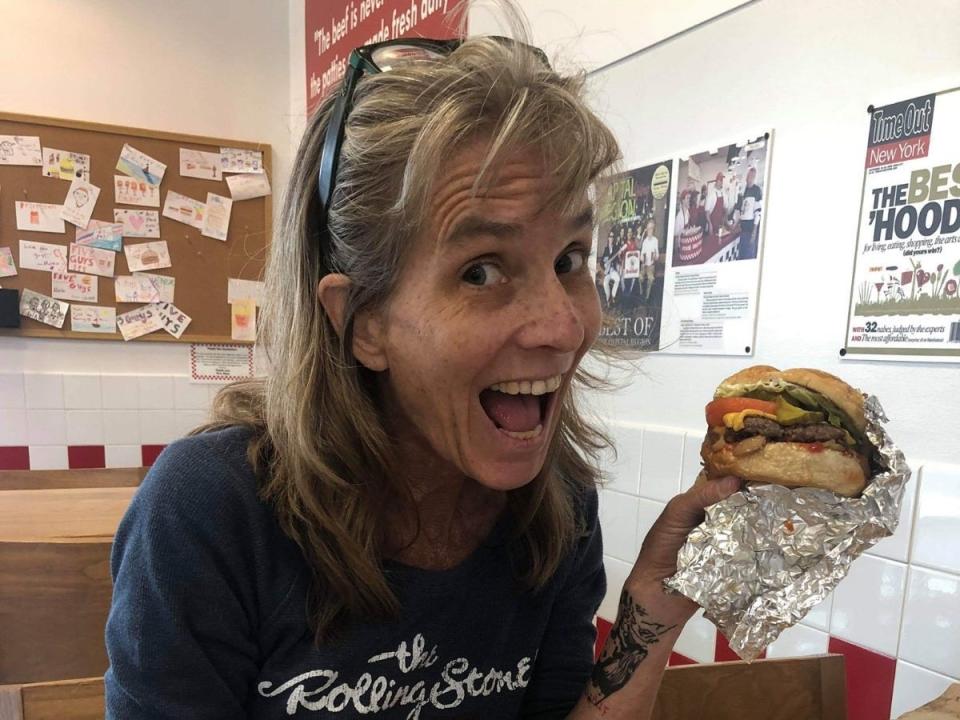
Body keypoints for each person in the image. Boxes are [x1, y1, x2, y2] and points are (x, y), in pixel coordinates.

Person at [104, 24, 738, 720]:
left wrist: (651, 605)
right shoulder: (212, 512)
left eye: (570, 258)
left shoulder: (557, 507)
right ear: (362, 320)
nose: (562, 326)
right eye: (481, 271)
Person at [736, 166, 763, 260]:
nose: (750, 178)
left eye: (753, 176)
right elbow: (741, 211)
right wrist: (737, 224)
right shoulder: (744, 191)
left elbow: (758, 212)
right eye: (749, 176)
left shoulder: (757, 190)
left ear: (754, 178)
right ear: (746, 177)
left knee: (748, 257)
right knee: (741, 256)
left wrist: (754, 231)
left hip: (750, 230)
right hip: (742, 230)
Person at [639, 219, 659, 302]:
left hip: (651, 266)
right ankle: (641, 293)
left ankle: (646, 297)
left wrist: (655, 256)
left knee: (651, 279)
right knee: (639, 277)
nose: (649, 230)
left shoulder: (655, 240)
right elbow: (641, 254)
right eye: (648, 228)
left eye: (651, 228)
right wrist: (642, 258)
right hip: (644, 265)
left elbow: (657, 255)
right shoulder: (644, 241)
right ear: (646, 229)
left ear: (653, 229)